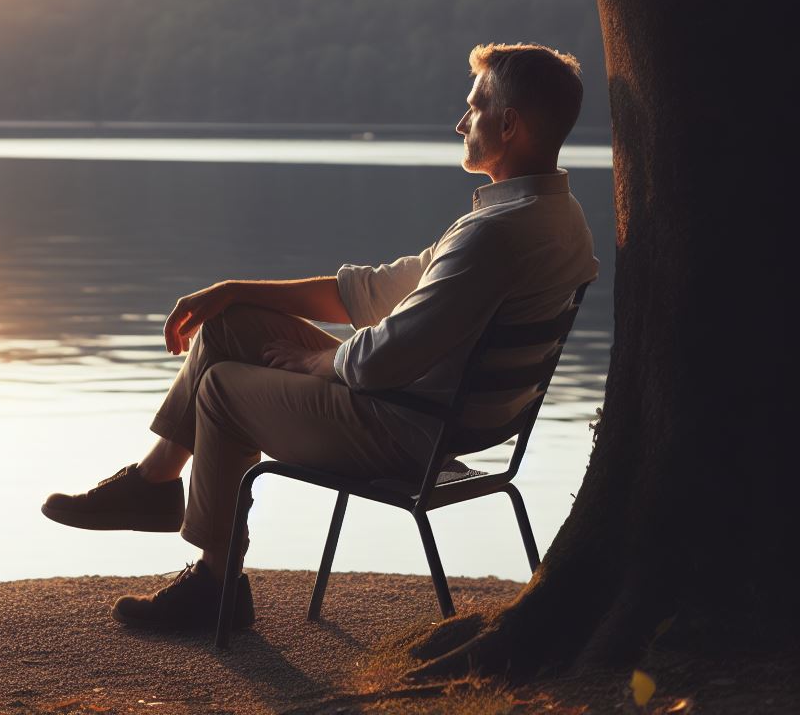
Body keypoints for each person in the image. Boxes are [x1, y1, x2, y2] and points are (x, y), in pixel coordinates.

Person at [42, 42, 599, 631]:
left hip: (406, 427)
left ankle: (215, 585)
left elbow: (381, 360)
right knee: (232, 325)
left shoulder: (494, 236)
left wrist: (318, 361)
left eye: (474, 108)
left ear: (508, 124)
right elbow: (375, 293)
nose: (462, 122)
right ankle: (154, 482)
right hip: (444, 416)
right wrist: (235, 290)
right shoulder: (554, 219)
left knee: (223, 389)